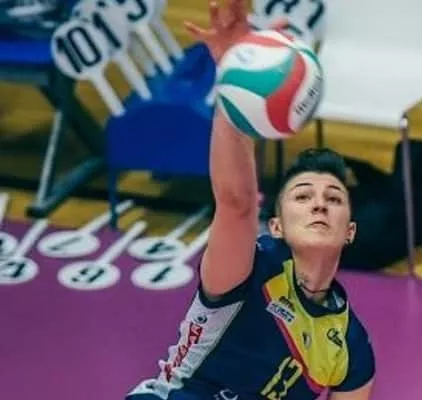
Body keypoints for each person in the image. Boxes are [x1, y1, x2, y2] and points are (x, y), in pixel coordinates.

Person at [125, 0, 375, 399]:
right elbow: (236, 202)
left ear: (350, 230)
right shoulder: (254, 267)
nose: (319, 204)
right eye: (302, 196)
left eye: (334, 198)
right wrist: (233, 81)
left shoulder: (350, 346)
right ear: (276, 226)